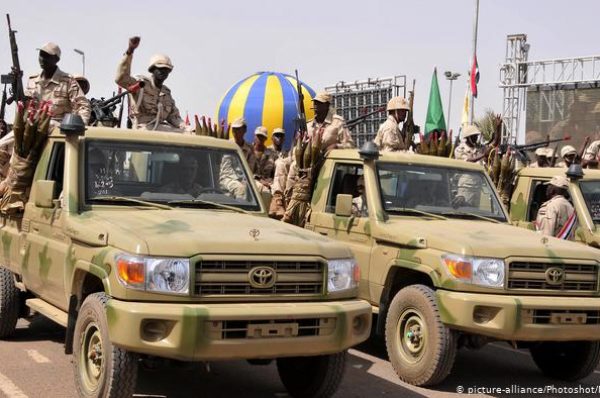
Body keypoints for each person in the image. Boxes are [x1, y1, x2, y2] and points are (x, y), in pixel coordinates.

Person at [269, 92, 353, 219]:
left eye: (319, 103)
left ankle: (293, 204)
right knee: (282, 163)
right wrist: (300, 141)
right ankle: (280, 200)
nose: (315, 106)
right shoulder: (308, 125)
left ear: (326, 105)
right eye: (315, 103)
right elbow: (295, 150)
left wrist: (335, 147)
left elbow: (349, 146)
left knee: (294, 168)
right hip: (305, 160)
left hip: (324, 161)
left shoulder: (337, 123)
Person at [115, 36, 185, 132]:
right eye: (160, 69)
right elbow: (121, 79)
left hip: (162, 129)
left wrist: (188, 129)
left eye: (166, 70)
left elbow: (175, 118)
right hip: (143, 129)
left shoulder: (166, 94)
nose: (163, 72)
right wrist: (129, 52)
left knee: (190, 134)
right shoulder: (141, 84)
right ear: (152, 70)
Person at [25, 42, 91, 125]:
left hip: (58, 127)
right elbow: (25, 105)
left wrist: (80, 126)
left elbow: (83, 106)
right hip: (32, 126)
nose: (42, 59)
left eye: (47, 56)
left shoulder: (67, 81)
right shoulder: (33, 81)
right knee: (8, 138)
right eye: (41, 55)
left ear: (56, 59)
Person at [219, 117, 256, 199]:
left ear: (244, 130)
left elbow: (251, 168)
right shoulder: (227, 145)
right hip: (228, 179)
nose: (235, 132)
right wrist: (241, 181)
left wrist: (247, 179)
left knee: (263, 190)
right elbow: (227, 170)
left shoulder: (249, 147)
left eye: (238, 129)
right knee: (240, 189)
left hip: (246, 179)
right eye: (234, 129)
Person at [535, 175, 576, 240]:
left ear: (552, 190)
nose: (547, 188)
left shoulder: (550, 206)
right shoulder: (570, 207)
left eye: (549, 186)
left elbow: (546, 234)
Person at [253, 126, 274, 190]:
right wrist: (259, 180)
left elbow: (274, 173)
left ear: (265, 138)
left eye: (262, 137)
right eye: (258, 136)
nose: (260, 138)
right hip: (251, 181)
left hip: (268, 183)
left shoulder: (271, 154)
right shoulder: (248, 151)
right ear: (254, 136)